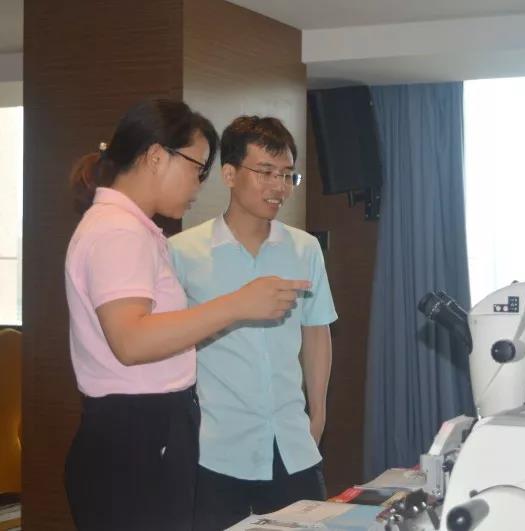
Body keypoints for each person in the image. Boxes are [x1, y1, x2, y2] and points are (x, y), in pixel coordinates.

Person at [64, 100, 310, 531]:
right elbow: (131, 341)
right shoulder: (119, 231)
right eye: (197, 168)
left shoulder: (130, 228)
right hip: (137, 431)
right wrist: (237, 304)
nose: (199, 185)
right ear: (156, 156)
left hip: (148, 428)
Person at [168, 116, 337, 531]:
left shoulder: (305, 249)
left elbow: (316, 332)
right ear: (229, 174)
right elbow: (167, 340)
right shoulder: (183, 252)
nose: (279, 186)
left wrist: (317, 414)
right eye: (265, 172)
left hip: (292, 445)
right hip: (214, 449)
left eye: (287, 174)